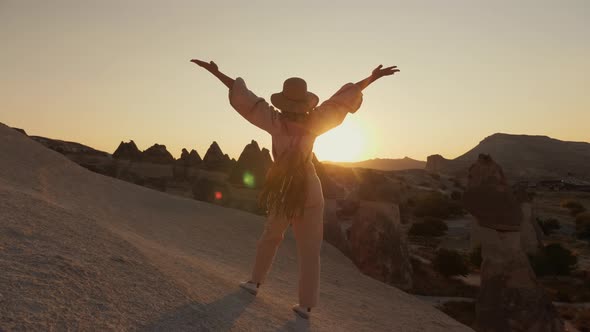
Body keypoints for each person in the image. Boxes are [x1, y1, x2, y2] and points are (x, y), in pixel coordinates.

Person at [191, 59, 399, 319]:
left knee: (271, 236)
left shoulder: (273, 121)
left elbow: (244, 97)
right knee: (310, 249)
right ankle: (306, 305)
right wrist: (373, 78)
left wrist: (216, 73)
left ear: (283, 102)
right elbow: (343, 98)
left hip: (285, 187)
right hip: (310, 187)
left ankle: (255, 283)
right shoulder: (317, 121)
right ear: (306, 103)